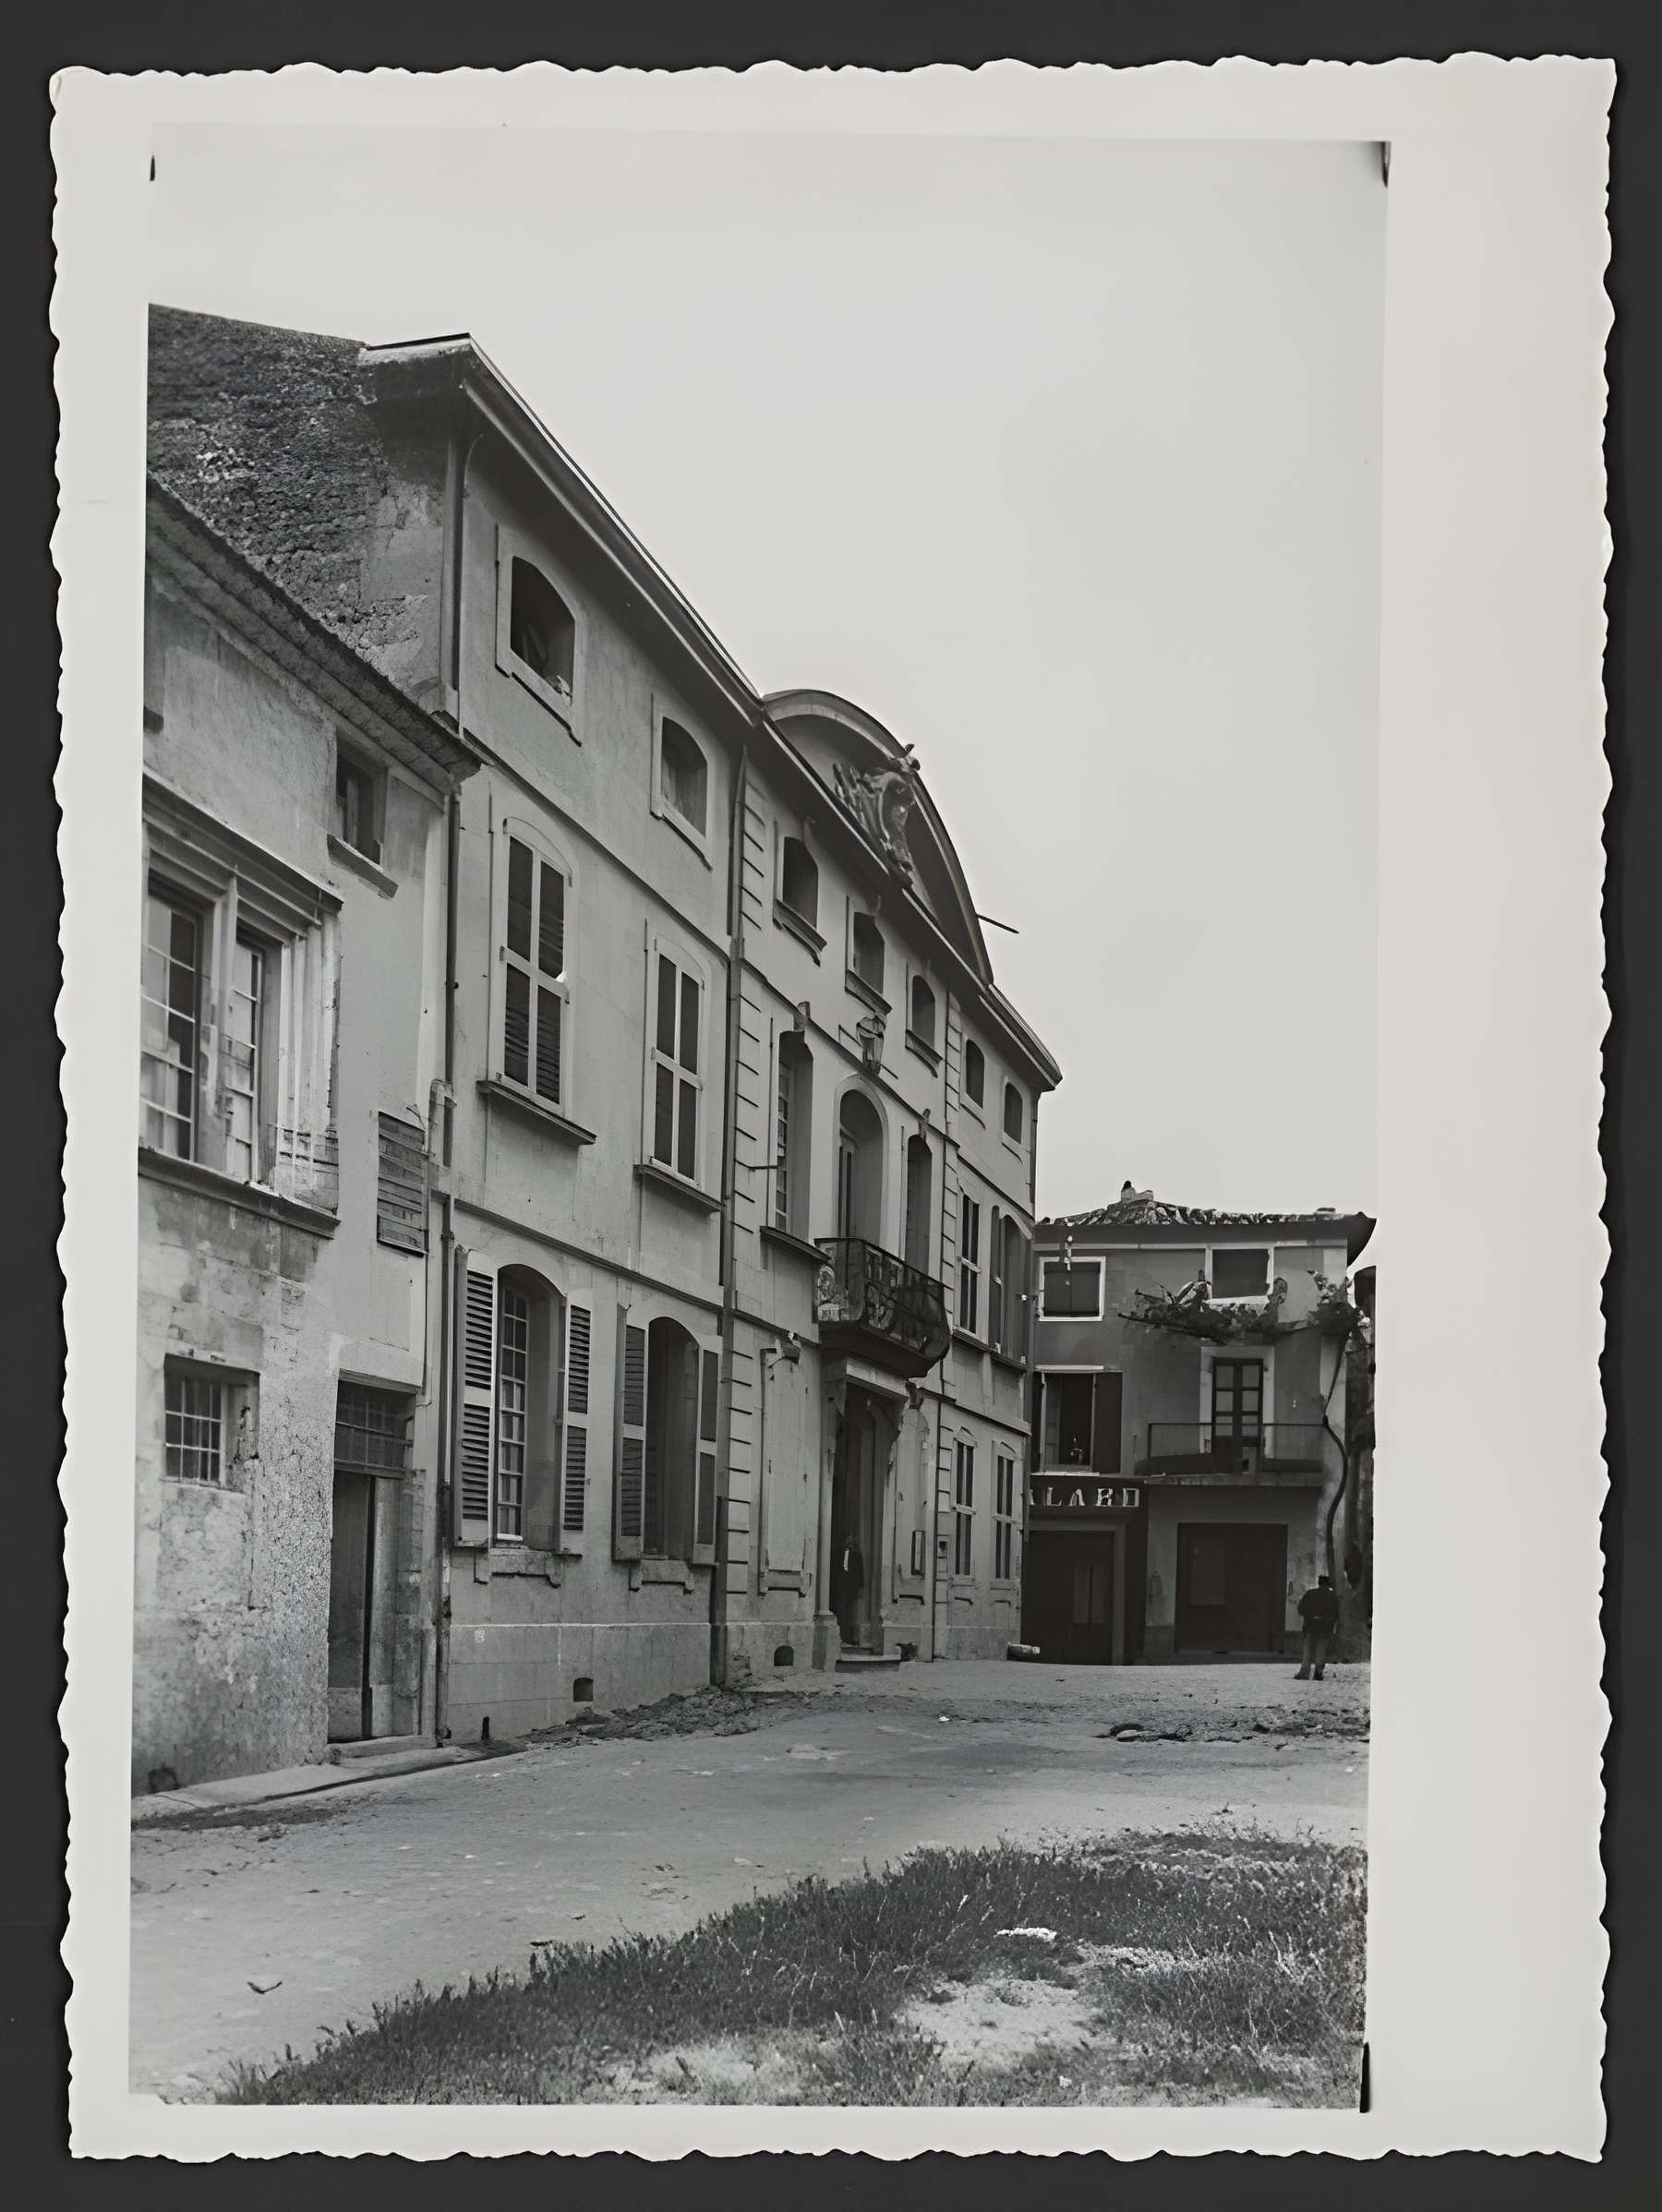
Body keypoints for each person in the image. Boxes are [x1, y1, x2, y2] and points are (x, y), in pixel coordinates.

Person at [1295, 1574, 1340, 1679]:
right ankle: (1318, 1672)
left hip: (1310, 1625)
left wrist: (1312, 1616)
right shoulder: (1332, 1596)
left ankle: (1304, 1672)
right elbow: (1336, 1612)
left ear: (1319, 1583)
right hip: (1326, 1626)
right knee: (1321, 1649)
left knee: (1308, 1648)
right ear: (1328, 1584)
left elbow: (1301, 1609)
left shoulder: (1310, 1594)